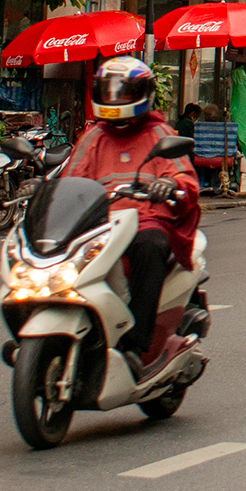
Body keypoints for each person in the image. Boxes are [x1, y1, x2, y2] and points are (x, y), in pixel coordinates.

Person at [57, 54, 202, 366]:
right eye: (109, 92)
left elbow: (184, 177)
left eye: (123, 92)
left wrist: (170, 185)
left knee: (150, 248)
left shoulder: (159, 134)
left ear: (142, 94)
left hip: (144, 221)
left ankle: (136, 347)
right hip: (98, 226)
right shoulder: (94, 135)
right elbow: (70, 179)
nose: (114, 99)